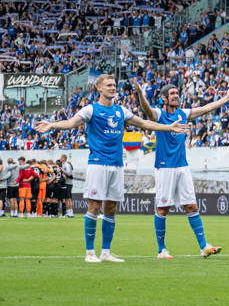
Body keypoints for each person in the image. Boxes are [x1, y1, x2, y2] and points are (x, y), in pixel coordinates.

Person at [33, 73, 190, 263]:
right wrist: (52, 125)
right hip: (98, 163)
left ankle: (106, 252)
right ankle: (90, 252)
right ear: (99, 88)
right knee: (94, 206)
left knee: (111, 208)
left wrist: (168, 127)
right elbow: (71, 123)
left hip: (117, 164)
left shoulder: (121, 111)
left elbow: (144, 123)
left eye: (114, 85)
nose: (113, 87)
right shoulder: (91, 109)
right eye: (108, 85)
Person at [134, 80, 229, 259]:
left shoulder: (183, 114)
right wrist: (140, 94)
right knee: (163, 208)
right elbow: (147, 110)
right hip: (164, 167)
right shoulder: (160, 114)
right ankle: (162, 250)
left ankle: (204, 246)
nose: (176, 96)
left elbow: (206, 108)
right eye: (172, 94)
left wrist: (227, 98)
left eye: (177, 93)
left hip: (182, 167)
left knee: (191, 206)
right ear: (164, 98)